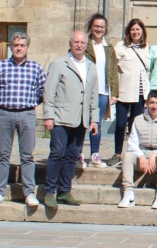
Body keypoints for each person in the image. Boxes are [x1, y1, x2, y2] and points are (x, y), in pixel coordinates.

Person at [0, 32, 46, 208]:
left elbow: (42, 90)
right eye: (16, 45)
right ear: (11, 47)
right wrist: (0, 102)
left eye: (22, 45)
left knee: (27, 156)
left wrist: (32, 103)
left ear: (27, 47)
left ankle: (29, 193)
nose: (19, 48)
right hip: (5, 114)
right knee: (3, 155)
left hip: (27, 114)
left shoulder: (36, 68)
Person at [42, 31, 100, 209]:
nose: (79, 45)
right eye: (76, 42)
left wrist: (94, 119)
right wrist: (48, 116)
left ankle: (65, 191)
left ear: (86, 45)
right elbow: (49, 92)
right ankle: (50, 192)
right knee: (57, 154)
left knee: (71, 156)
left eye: (82, 42)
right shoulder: (59, 64)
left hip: (81, 120)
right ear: (70, 43)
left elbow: (93, 96)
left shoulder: (91, 66)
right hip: (61, 118)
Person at [118, 90, 157, 210]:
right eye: (152, 103)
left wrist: (155, 154)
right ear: (147, 103)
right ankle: (128, 193)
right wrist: (140, 156)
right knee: (127, 156)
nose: (154, 106)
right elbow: (132, 142)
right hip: (142, 152)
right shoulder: (138, 119)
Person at [107, 19, 151, 168]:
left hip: (140, 94)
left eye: (138, 29)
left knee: (135, 124)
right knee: (120, 124)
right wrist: (113, 90)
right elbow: (113, 67)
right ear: (128, 31)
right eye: (133, 29)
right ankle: (118, 153)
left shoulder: (146, 48)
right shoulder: (121, 46)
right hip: (124, 92)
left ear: (142, 32)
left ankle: (133, 153)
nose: (135, 32)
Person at [82, 13, 119, 168]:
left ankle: (94, 155)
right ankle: (78, 154)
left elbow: (113, 71)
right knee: (82, 123)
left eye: (101, 27)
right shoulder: (84, 44)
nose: (98, 29)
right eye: (96, 26)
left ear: (105, 29)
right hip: (86, 91)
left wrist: (115, 93)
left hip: (103, 91)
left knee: (95, 123)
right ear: (91, 27)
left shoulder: (108, 48)